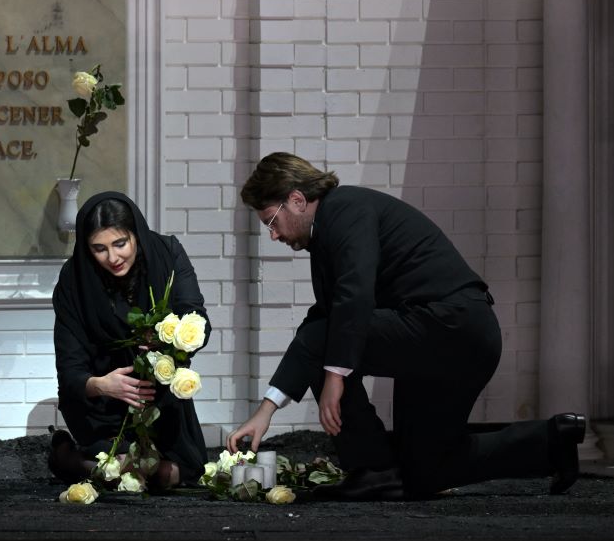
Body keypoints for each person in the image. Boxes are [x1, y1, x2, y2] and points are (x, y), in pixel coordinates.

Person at [226, 152, 585, 499]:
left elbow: (353, 296)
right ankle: (552, 440)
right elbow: (323, 316)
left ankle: (372, 469)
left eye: (272, 222)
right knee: (423, 472)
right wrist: (267, 410)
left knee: (328, 340)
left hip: (454, 329)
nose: (273, 235)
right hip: (440, 335)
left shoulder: (346, 209)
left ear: (297, 200)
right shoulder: (328, 230)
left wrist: (335, 374)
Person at [49, 191, 211, 490]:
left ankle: (90, 464)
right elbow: (70, 371)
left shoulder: (167, 253)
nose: (112, 258)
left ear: (136, 234)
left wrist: (168, 346)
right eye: (99, 248)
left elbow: (198, 321)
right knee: (120, 469)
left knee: (176, 474)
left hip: (157, 397)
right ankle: (67, 458)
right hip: (101, 404)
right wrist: (101, 385)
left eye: (120, 244)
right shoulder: (74, 278)